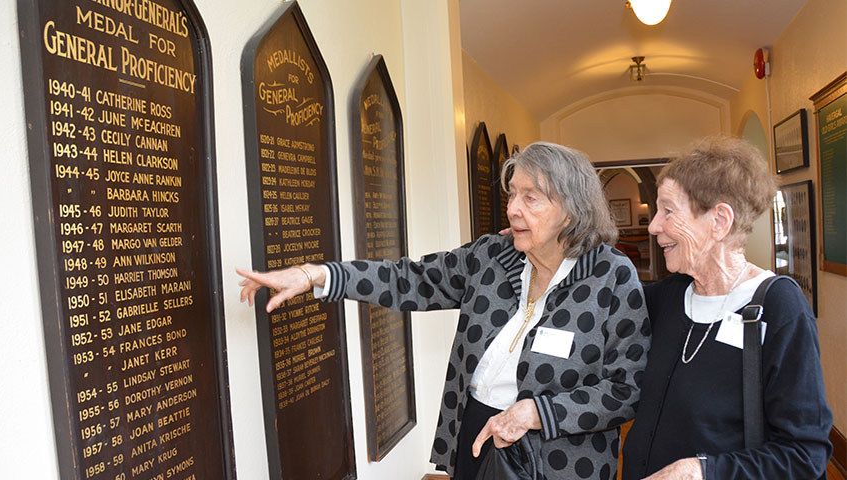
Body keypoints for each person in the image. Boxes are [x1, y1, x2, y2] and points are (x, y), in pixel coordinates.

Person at [238, 142, 650, 479]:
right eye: (512, 195)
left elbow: (627, 388)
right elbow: (409, 280)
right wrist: (315, 275)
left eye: (531, 198)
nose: (513, 209)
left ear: (572, 210)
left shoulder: (610, 276)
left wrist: (537, 412)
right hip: (475, 434)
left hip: (560, 457)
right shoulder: (492, 256)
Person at [621, 136, 832, 479]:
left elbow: (805, 455)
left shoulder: (779, 307)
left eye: (668, 211)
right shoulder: (667, 297)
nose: (654, 225)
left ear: (719, 221)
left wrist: (702, 471)